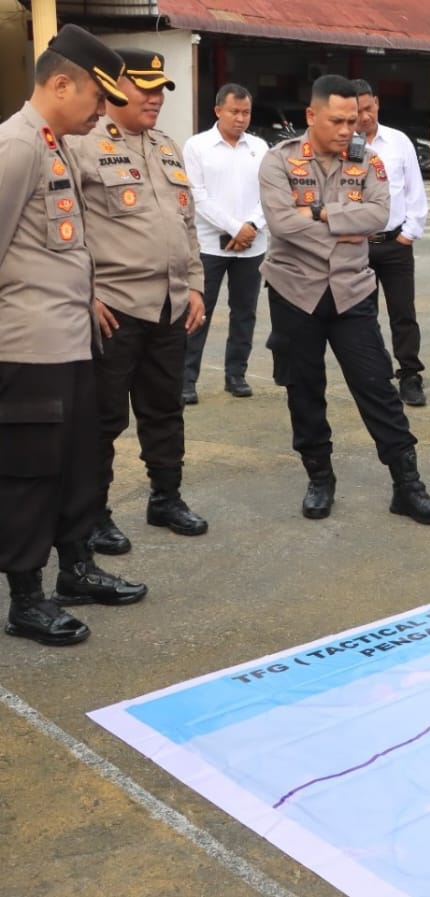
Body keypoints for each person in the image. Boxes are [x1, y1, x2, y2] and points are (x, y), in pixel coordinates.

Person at [1, 25, 148, 646]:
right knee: (31, 474)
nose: (101, 107)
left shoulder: (53, 142)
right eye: (95, 95)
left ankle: (77, 569)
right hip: (29, 349)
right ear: (60, 84)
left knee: (77, 465)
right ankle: (27, 598)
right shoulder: (16, 147)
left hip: (71, 340)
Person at [259, 74, 430, 524]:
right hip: (294, 292)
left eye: (353, 119)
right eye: (337, 120)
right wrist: (346, 228)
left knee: (377, 386)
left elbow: (380, 215)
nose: (348, 129)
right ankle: (320, 477)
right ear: (311, 116)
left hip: (352, 291)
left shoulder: (371, 162)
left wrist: (321, 213)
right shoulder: (277, 162)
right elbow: (282, 224)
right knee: (304, 391)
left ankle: (407, 484)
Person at [66, 48, 209, 555]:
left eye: (159, 90)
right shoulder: (80, 146)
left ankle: (165, 499)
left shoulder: (167, 146)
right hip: (115, 307)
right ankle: (94, 514)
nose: (154, 98)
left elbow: (186, 224)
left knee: (165, 409)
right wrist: (84, 292)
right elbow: (62, 228)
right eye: (144, 88)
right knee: (102, 418)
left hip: (169, 306)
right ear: (111, 88)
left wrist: (195, 284)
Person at [182, 82, 268, 405]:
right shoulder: (197, 146)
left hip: (252, 246)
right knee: (198, 313)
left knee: (244, 313)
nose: (241, 118)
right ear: (218, 110)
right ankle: (187, 379)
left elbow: (271, 193)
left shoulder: (260, 148)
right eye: (234, 111)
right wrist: (236, 227)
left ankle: (236, 375)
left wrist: (252, 227)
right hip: (209, 247)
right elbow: (197, 196)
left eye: (246, 112)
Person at [352, 80, 429, 407]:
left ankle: (410, 374)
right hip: (357, 246)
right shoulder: (342, 145)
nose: (364, 116)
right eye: (356, 111)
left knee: (403, 313)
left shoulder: (398, 142)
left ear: (378, 104)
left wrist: (408, 233)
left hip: (395, 242)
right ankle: (374, 374)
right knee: (362, 314)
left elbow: (414, 190)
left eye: (368, 108)